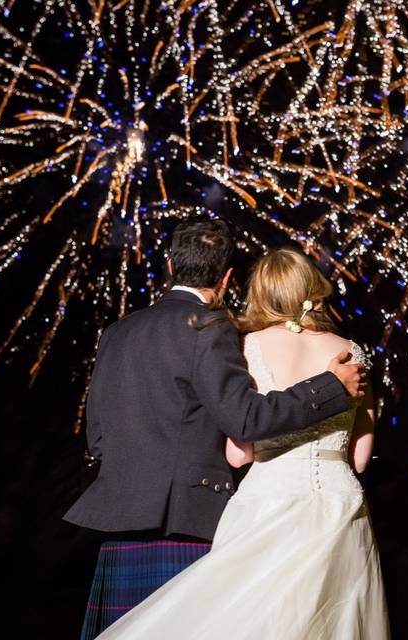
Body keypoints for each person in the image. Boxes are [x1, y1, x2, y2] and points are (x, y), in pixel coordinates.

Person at [64, 220, 365, 639]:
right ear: (225, 278)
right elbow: (245, 419)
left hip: (120, 521)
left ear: (170, 264)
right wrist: (329, 387)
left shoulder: (117, 332)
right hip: (186, 519)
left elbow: (96, 434)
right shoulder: (208, 326)